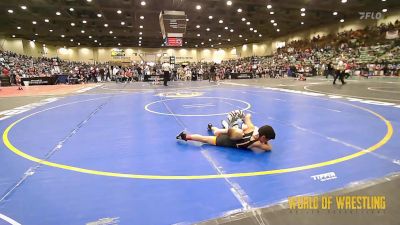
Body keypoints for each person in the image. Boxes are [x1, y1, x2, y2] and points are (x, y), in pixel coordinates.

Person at [176, 113, 275, 151]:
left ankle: (211, 127)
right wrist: (264, 142)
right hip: (227, 141)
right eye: (267, 139)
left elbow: (248, 116)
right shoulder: (256, 143)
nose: (267, 141)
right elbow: (268, 148)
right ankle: (185, 137)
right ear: (263, 136)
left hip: (231, 136)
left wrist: (247, 116)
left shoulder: (252, 128)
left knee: (213, 134)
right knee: (205, 139)